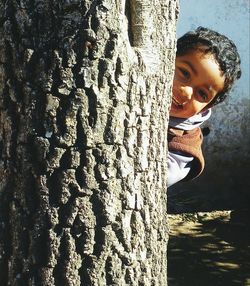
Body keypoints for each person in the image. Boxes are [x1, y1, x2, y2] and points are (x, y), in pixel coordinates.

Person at [167, 26, 241, 187]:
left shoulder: (184, 144)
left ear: (206, 107)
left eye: (201, 94)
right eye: (185, 73)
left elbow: (160, 176)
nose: (186, 92)